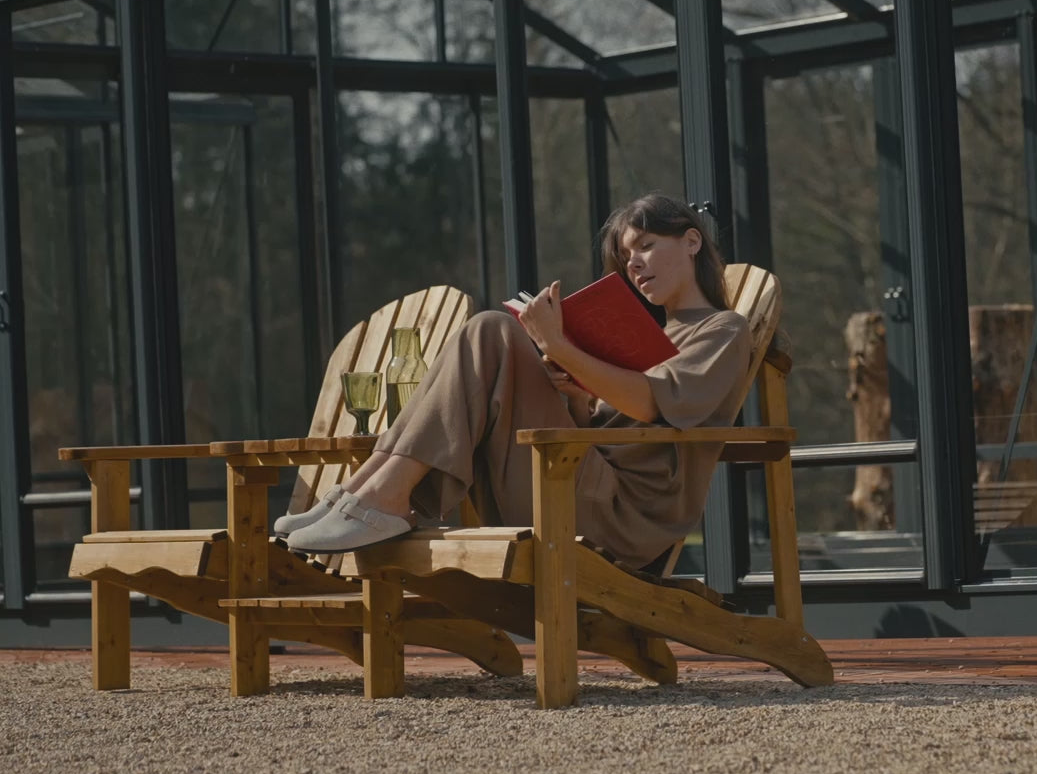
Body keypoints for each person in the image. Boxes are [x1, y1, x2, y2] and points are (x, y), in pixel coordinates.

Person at [279, 193, 751, 569]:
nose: (635, 263)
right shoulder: (645, 336)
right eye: (627, 255)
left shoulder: (723, 330)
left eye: (646, 246)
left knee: (493, 329)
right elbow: (601, 430)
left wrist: (559, 346)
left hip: (623, 518)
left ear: (691, 242)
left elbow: (651, 407)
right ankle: (363, 494)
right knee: (490, 332)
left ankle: (379, 501)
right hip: (573, 482)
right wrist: (576, 397)